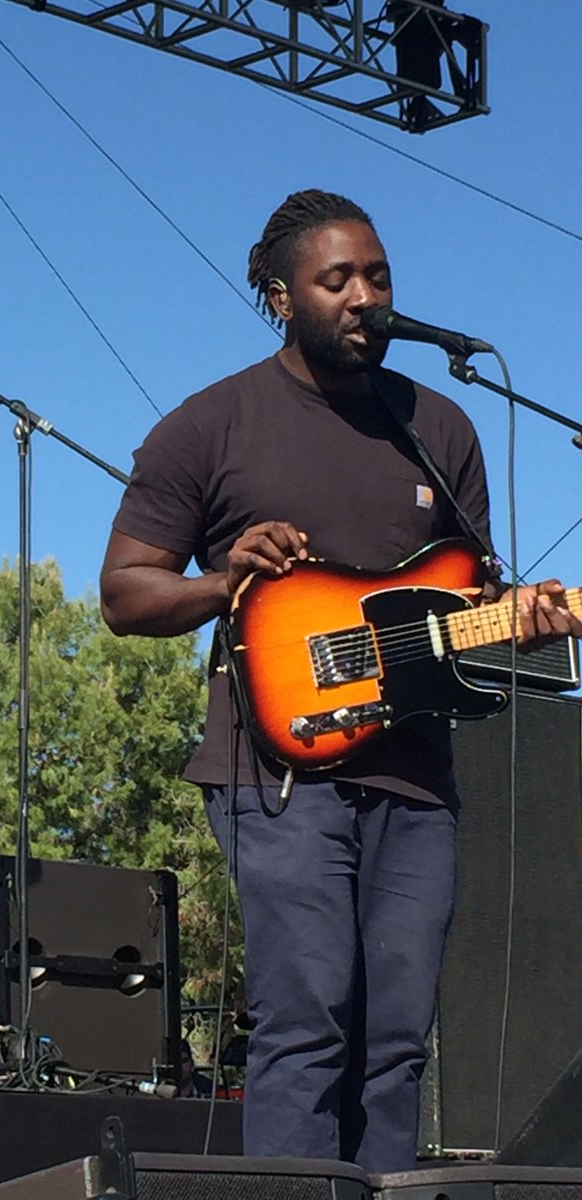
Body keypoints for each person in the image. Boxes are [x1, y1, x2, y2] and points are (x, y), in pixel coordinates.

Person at [99, 189, 581, 1173]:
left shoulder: (438, 427)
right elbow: (124, 592)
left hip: (415, 777)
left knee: (397, 1040)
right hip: (278, 771)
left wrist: (522, 620)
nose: (365, 296)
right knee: (307, 1019)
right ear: (283, 299)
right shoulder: (212, 425)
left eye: (378, 276)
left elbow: (465, 600)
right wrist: (226, 580)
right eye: (338, 280)